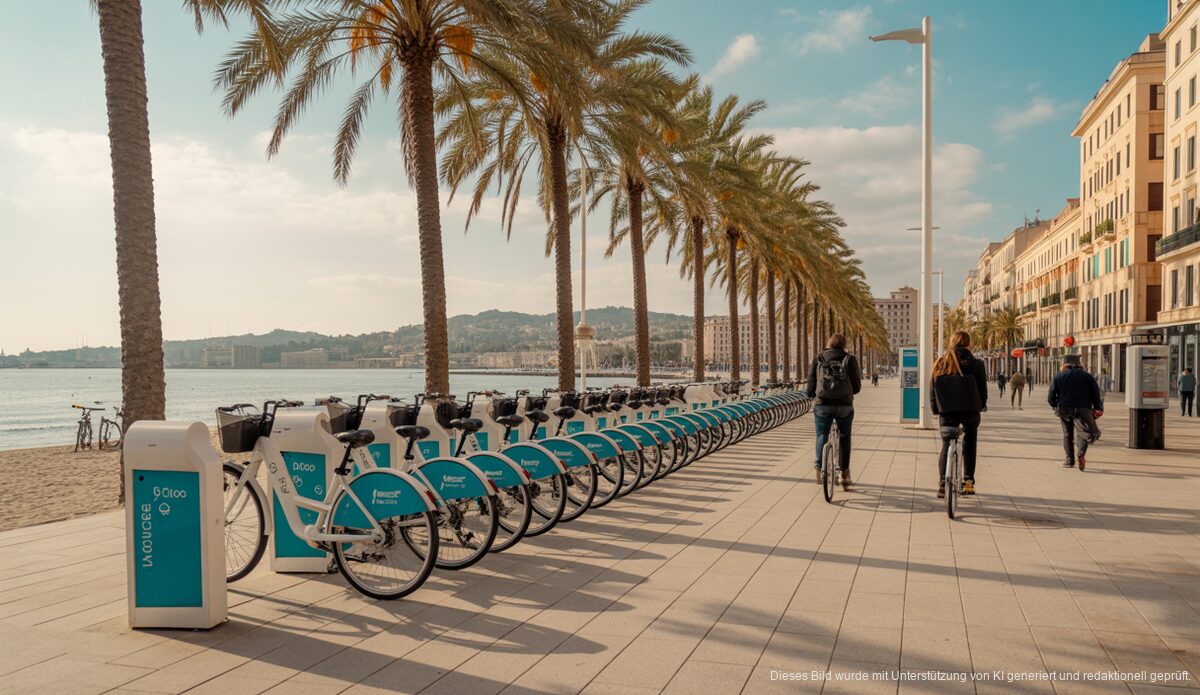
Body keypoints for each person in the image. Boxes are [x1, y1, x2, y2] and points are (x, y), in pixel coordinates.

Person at [930, 331, 988, 498]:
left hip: (947, 412)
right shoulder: (976, 364)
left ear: (952, 343)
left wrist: (936, 409)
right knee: (970, 441)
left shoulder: (941, 363)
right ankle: (968, 481)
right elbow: (982, 390)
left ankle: (942, 482)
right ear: (968, 344)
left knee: (946, 443)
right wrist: (981, 406)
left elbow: (932, 388)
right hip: (970, 411)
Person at [807, 333, 862, 490]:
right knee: (845, 437)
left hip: (822, 403)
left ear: (829, 343)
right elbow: (857, 386)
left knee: (821, 435)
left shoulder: (819, 357)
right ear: (843, 344)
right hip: (844, 405)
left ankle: (819, 468)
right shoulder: (849, 359)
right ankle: (844, 474)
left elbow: (811, 380)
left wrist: (812, 394)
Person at [1048, 354, 1103, 471]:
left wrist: (1055, 406)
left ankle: (1069, 460)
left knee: (1067, 434)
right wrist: (1098, 407)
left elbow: (1051, 396)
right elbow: (1095, 393)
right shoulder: (1087, 376)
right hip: (1083, 408)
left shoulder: (1059, 376)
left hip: (1065, 408)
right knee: (1083, 432)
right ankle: (1081, 454)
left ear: (1065, 364)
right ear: (1079, 364)